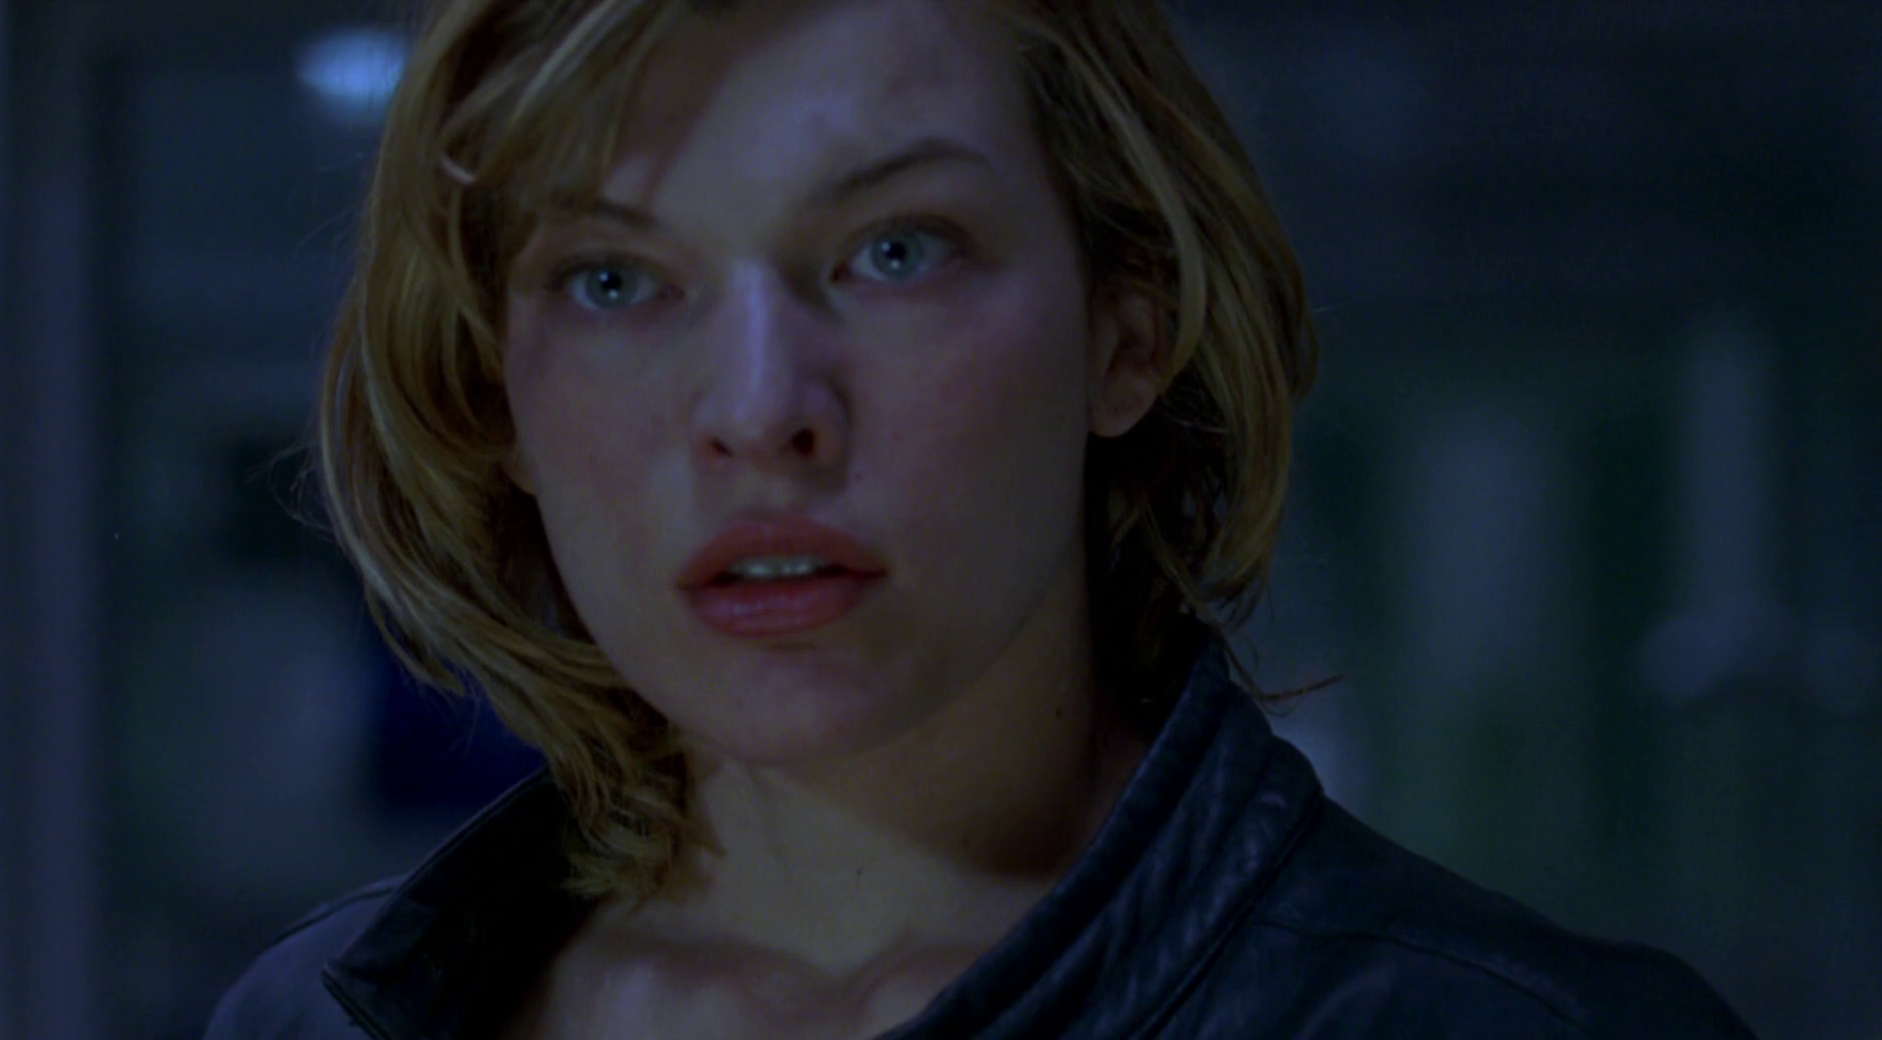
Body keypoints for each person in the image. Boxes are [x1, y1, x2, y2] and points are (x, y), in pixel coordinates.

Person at [204, 0, 1759, 1036]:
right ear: (496, 392)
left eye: (897, 251)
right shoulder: (312, 1025)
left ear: (1129, 330)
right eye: (614, 279)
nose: (760, 409)